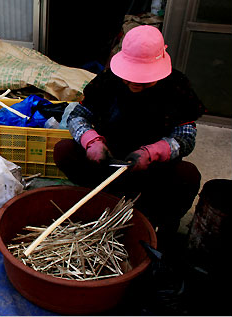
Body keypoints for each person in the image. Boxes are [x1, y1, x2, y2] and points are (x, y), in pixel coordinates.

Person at [54, 25, 206, 250]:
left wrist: (154, 152)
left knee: (188, 175)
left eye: (145, 78)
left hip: (151, 169)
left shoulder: (176, 86)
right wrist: (91, 140)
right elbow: (78, 115)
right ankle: (101, 200)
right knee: (64, 150)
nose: (136, 82)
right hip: (108, 160)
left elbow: (186, 136)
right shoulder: (108, 81)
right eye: (131, 75)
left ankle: (158, 222)